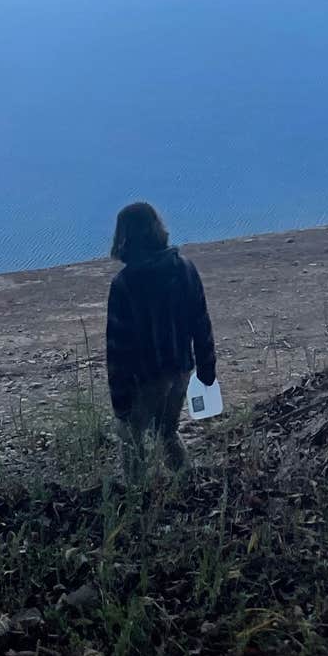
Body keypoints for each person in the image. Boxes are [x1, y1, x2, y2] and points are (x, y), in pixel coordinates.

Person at [105, 200, 217, 471]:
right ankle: (188, 484)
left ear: (123, 236)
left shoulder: (124, 284)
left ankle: (137, 498)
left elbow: (117, 348)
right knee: (167, 432)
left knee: (131, 438)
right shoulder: (184, 268)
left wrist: (119, 400)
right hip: (180, 370)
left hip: (143, 378)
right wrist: (206, 370)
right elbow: (201, 323)